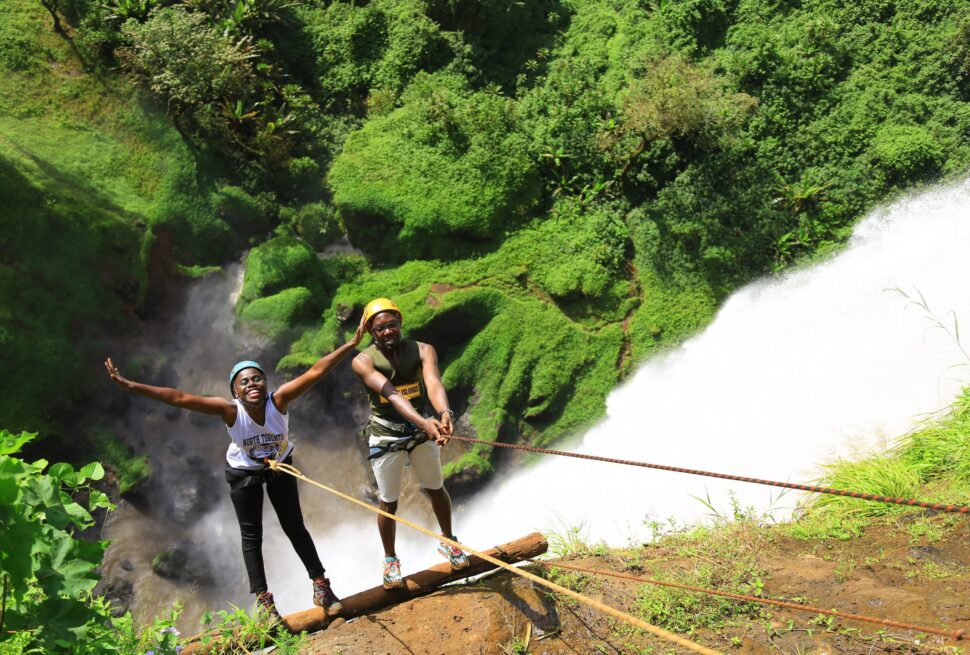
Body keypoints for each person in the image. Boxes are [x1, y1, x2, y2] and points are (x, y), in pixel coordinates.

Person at [104, 316, 365, 621]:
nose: (252, 384)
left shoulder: (279, 401)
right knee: (252, 535)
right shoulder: (229, 411)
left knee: (294, 526)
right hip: (244, 472)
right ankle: (265, 603)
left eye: (257, 379)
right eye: (244, 382)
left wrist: (349, 344)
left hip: (279, 465)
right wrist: (131, 385)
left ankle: (321, 587)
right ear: (235, 392)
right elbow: (179, 397)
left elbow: (316, 371)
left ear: (265, 384)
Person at [351, 297, 470, 590]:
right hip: (387, 434)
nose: (388, 332)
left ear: (400, 323)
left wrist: (444, 413)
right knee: (388, 501)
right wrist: (424, 423)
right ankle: (390, 559)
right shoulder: (363, 361)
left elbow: (433, 383)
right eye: (380, 329)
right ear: (371, 332)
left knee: (435, 487)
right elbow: (391, 393)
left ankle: (449, 541)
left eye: (392, 325)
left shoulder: (423, 350)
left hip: (421, 431)